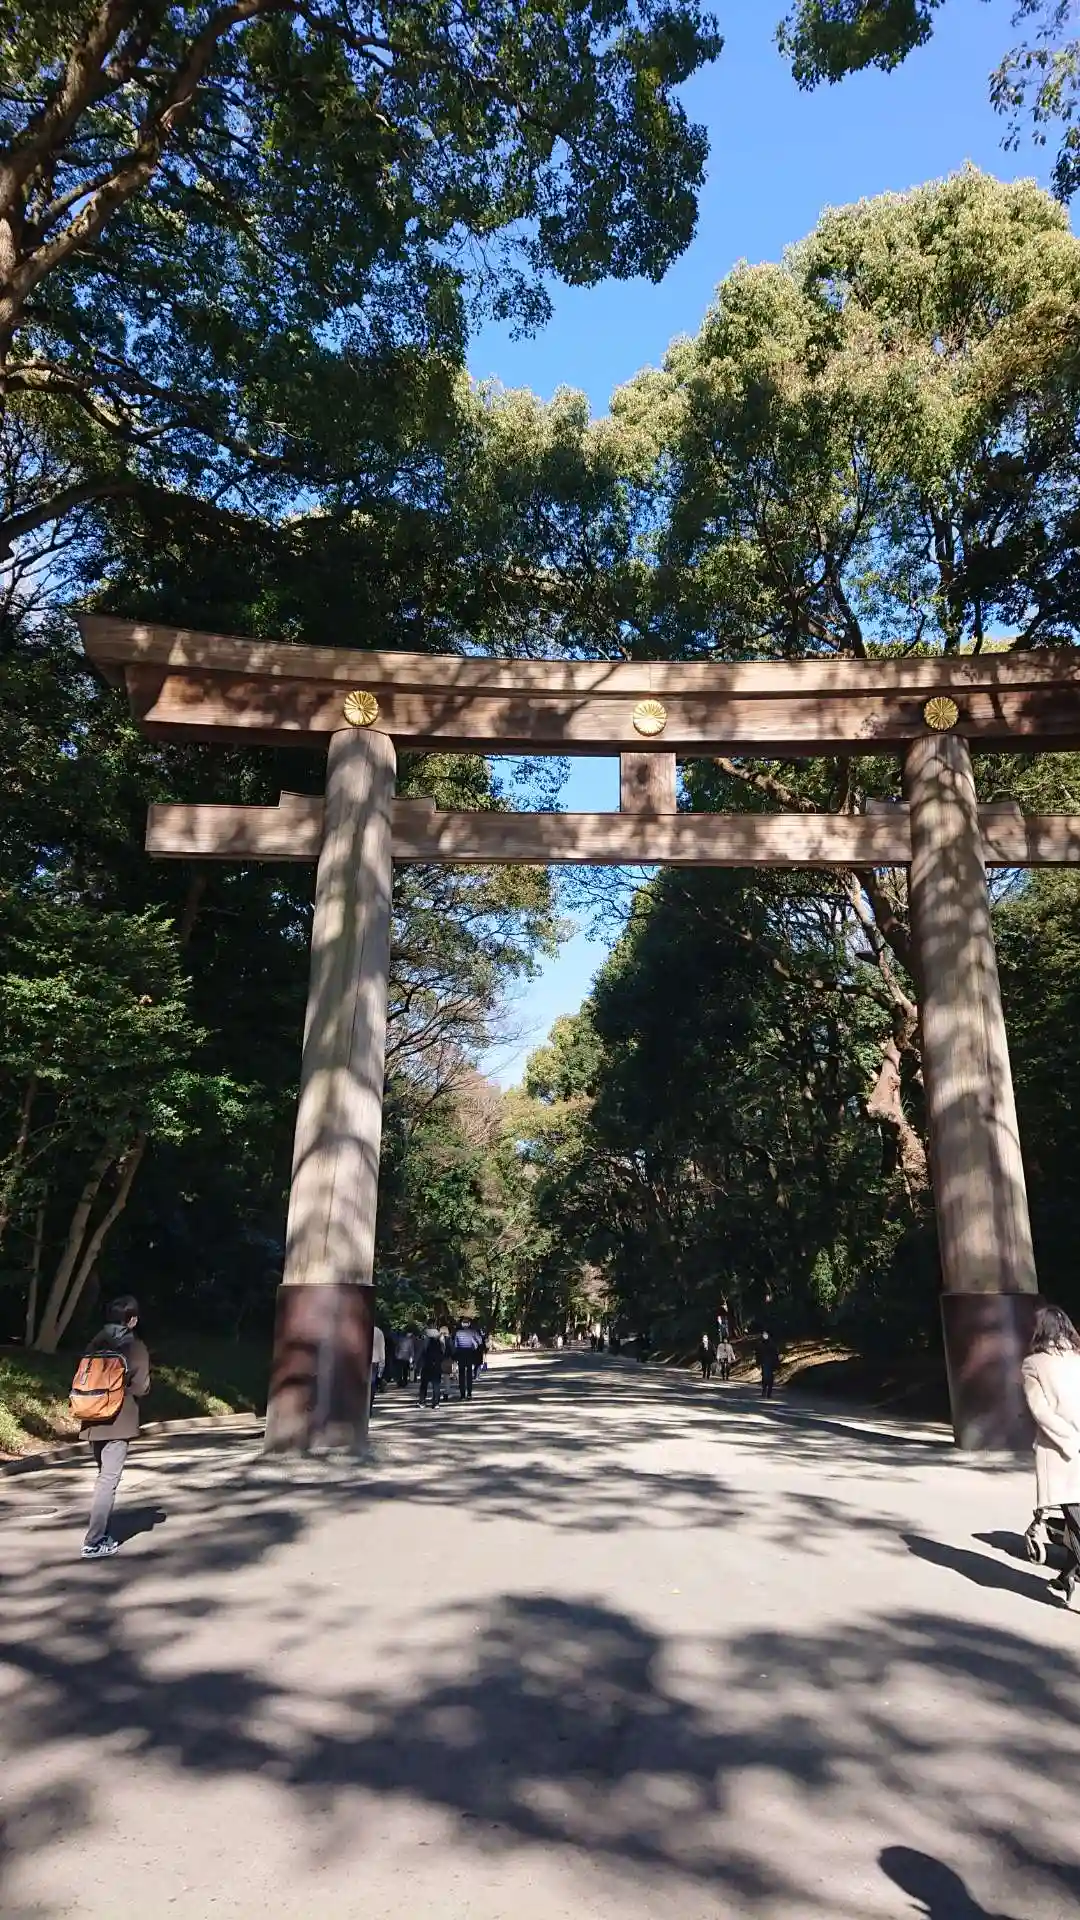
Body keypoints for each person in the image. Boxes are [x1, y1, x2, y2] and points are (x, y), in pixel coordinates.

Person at [75, 1295, 151, 1559]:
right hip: (119, 1421)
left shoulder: (95, 1343)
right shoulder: (135, 1346)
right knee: (108, 1481)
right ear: (132, 1320)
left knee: (103, 1477)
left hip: (92, 1417)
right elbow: (141, 1387)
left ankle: (101, 1533)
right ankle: (94, 1541)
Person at [1021, 1304, 1080, 1609]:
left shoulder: (1033, 1365)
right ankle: (1067, 1576)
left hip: (1062, 1454)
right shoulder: (1079, 1358)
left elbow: (1041, 1412)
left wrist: (1069, 1441)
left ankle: (1070, 1577)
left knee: (1077, 1521)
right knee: (1075, 1522)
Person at [419, 1325, 445, 1408]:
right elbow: (443, 1352)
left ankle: (422, 1402)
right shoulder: (439, 1342)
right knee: (436, 1384)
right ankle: (436, 1403)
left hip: (426, 1364)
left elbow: (421, 1352)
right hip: (436, 1365)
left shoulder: (425, 1341)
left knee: (424, 1384)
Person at [454, 1320, 481, 1400]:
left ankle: (462, 1394)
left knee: (461, 1374)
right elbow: (479, 1341)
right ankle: (469, 1393)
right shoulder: (473, 1332)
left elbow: (455, 1345)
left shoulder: (458, 1333)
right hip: (469, 1353)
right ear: (469, 1324)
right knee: (469, 1374)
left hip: (461, 1354)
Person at [370, 1322, 386, 1408]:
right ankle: (369, 1405)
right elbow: (381, 1349)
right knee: (372, 1384)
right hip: (374, 1361)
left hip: (360, 1362)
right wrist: (382, 1364)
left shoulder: (360, 1328)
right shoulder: (378, 1332)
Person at [758, 1329, 777, 1400]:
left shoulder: (772, 1344)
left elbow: (775, 1354)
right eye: (764, 1334)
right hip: (764, 1363)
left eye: (766, 1334)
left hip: (770, 1363)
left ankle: (769, 1393)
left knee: (770, 1379)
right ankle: (764, 1391)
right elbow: (758, 1354)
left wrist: (776, 1364)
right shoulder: (761, 1344)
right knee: (765, 1378)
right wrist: (758, 1362)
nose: (764, 1336)